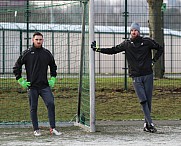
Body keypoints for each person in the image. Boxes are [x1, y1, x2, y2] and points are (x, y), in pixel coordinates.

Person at [91, 22, 163, 133]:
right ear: (130, 32)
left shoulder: (147, 42)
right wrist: (98, 49)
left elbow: (160, 48)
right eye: (132, 30)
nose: (134, 32)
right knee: (142, 100)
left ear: (139, 32)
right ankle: (151, 123)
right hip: (135, 76)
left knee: (148, 100)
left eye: (136, 30)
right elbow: (113, 50)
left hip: (148, 74)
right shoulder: (127, 44)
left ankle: (146, 125)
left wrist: (153, 61)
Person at [13, 32, 62, 136]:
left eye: (40, 39)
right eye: (37, 39)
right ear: (33, 40)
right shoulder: (27, 53)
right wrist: (20, 80)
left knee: (51, 104)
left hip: (45, 86)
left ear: (43, 40)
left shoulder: (47, 53)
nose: (38, 41)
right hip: (32, 87)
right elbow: (16, 67)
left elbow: (53, 66)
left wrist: (53, 78)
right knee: (33, 107)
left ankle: (52, 128)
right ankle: (36, 129)